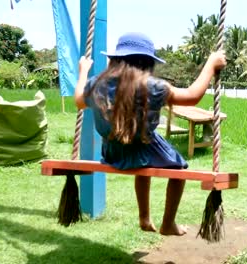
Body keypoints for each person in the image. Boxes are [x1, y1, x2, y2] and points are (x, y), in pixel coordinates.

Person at [74, 32, 227, 236]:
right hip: (144, 146)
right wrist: (211, 63)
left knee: (143, 164)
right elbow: (192, 96)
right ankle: (168, 223)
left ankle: (144, 217)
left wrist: (83, 70)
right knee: (179, 169)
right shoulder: (152, 86)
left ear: (116, 60)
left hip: (112, 152)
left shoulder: (97, 83)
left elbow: (78, 100)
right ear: (147, 63)